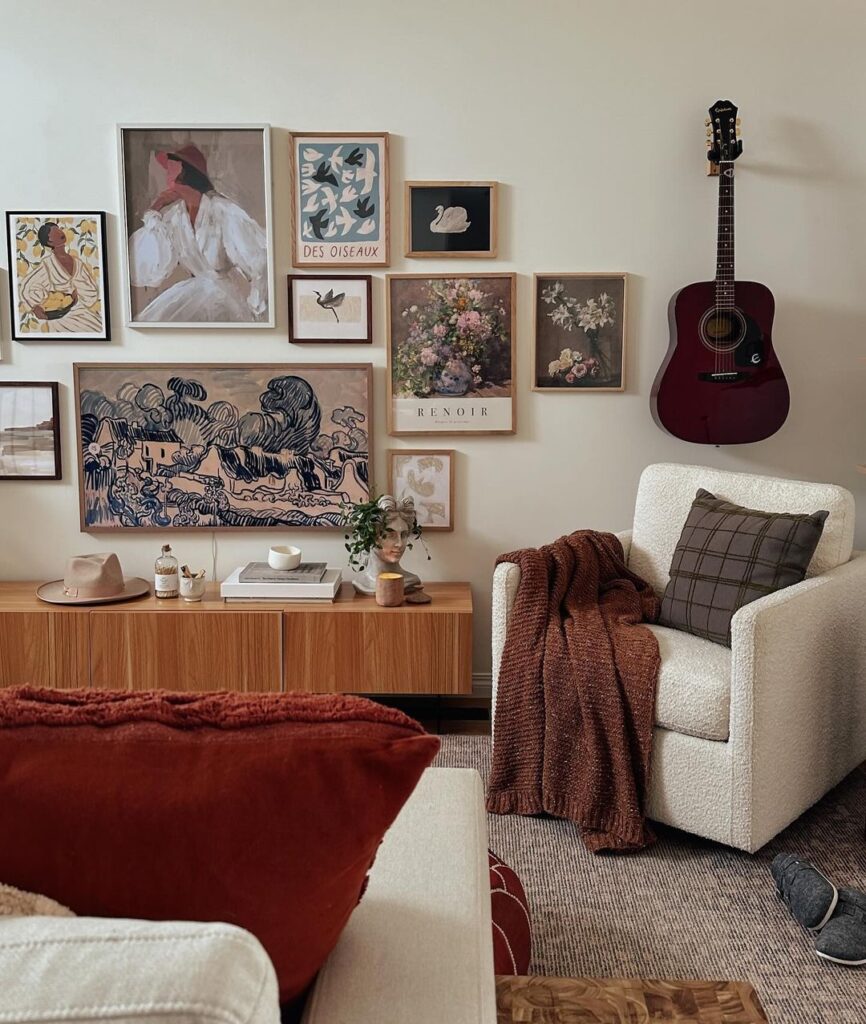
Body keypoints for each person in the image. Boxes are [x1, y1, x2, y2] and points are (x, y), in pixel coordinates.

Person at [128, 143, 268, 323]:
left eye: (171, 165)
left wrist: (255, 306)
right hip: (191, 294)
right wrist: (155, 209)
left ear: (185, 171)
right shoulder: (174, 217)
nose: (167, 171)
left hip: (223, 300)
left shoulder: (223, 210)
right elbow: (148, 267)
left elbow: (259, 261)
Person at [20, 222, 102, 333]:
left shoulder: (77, 262)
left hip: (82, 311)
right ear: (50, 242)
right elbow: (26, 287)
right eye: (54, 232)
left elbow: (91, 293)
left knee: (98, 327)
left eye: (59, 229)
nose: (60, 232)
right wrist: (34, 307)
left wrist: (78, 292)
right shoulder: (48, 264)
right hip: (61, 318)